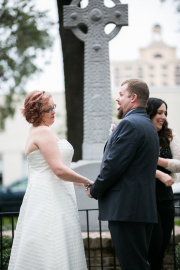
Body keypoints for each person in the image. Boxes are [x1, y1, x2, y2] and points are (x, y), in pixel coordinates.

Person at [8, 90, 93, 270]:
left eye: (53, 107)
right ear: (36, 113)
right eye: (48, 110)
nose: (53, 111)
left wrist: (80, 183)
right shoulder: (43, 132)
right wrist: (87, 180)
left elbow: (54, 172)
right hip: (50, 198)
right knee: (53, 244)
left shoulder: (38, 131)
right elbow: (59, 170)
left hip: (50, 193)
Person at [85, 78, 159, 270]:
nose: (117, 99)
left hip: (127, 210)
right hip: (141, 209)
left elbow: (112, 166)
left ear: (133, 98)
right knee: (139, 264)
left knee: (134, 266)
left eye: (120, 94)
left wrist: (95, 189)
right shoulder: (148, 125)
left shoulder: (130, 125)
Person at [146, 97, 180, 270]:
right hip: (146, 200)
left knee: (161, 250)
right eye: (159, 112)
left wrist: (155, 160)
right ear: (149, 113)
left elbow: (179, 164)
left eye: (165, 113)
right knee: (153, 247)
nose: (163, 116)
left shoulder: (169, 136)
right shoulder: (139, 134)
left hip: (166, 200)